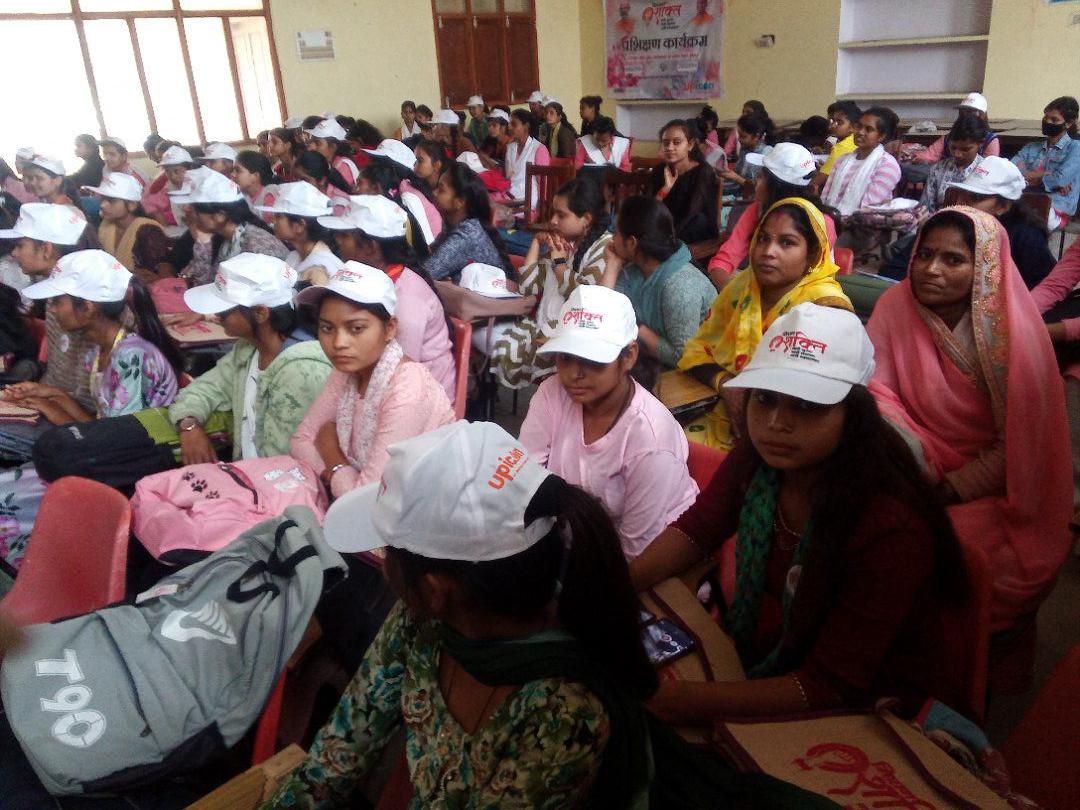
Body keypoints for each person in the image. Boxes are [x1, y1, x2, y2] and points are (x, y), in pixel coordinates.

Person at [268, 418, 655, 809]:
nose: (383, 569)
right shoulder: (420, 620)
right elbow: (339, 752)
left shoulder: (562, 715)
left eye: (388, 552)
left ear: (435, 590)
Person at [632, 303, 969, 721]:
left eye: (807, 406)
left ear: (853, 414)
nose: (776, 422)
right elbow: (696, 531)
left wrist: (681, 701)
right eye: (765, 398)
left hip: (878, 708)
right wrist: (615, 587)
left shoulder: (889, 525)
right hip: (787, 661)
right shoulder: (760, 460)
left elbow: (830, 686)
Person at [867, 207, 1071, 632]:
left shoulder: (1013, 338)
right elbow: (876, 394)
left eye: (954, 260)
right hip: (908, 463)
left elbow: (1019, 450)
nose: (931, 270)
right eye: (925, 255)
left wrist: (947, 490)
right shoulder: (896, 305)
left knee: (945, 557)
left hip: (991, 490)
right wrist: (912, 463)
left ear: (985, 269)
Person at [0, 250, 181, 570]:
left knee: (7, 502)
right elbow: (103, 426)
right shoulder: (100, 351)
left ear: (87, 308)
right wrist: (53, 395)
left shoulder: (131, 358)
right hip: (107, 455)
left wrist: (52, 408)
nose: (52, 309)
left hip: (130, 475)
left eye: (58, 302)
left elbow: (114, 446)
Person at [520, 285, 697, 558]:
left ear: (629, 357)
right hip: (575, 541)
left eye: (592, 359)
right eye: (565, 357)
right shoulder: (552, 393)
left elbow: (635, 551)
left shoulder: (650, 440)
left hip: (643, 557)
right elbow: (524, 478)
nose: (574, 374)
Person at [679, 198, 852, 449]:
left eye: (787, 242)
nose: (769, 251)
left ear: (813, 254)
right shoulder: (743, 288)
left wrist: (751, 401)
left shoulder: (825, 308)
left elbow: (818, 400)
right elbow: (696, 350)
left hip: (788, 437)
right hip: (723, 411)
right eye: (762, 239)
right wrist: (726, 384)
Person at [290, 263, 454, 497]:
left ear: (390, 329)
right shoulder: (347, 371)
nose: (339, 343)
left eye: (356, 328)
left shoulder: (407, 389)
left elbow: (367, 500)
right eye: (327, 328)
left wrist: (331, 452)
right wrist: (339, 474)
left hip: (427, 505)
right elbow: (300, 440)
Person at [172, 253, 331, 464]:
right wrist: (189, 424)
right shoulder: (249, 349)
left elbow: (285, 460)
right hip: (251, 474)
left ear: (260, 313)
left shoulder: (301, 372)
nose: (216, 316)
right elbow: (204, 389)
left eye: (224, 311)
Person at [318, 195, 455, 401]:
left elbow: (402, 372)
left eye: (345, 236)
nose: (338, 240)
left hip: (422, 398)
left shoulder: (406, 300)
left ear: (371, 247)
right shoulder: (375, 282)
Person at [491, 178, 613, 388]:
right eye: (553, 213)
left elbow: (585, 299)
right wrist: (536, 243)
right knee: (496, 343)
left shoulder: (604, 248)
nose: (553, 221)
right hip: (548, 329)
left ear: (586, 218)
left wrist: (559, 264)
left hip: (575, 342)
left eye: (561, 215)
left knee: (502, 345)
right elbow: (527, 287)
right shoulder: (565, 240)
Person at [881, 156, 1055, 289]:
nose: (962, 202)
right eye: (962, 194)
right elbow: (893, 272)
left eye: (975, 197)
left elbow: (1044, 289)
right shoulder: (945, 225)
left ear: (1003, 206)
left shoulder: (1026, 237)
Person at [0, 204, 100, 413]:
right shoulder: (54, 297)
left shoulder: (82, 303)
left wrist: (47, 400)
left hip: (78, 417)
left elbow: (88, 398)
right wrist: (36, 392)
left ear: (46, 249)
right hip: (57, 404)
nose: (14, 253)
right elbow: (57, 376)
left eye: (20, 246)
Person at [599, 196, 714, 369]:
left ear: (632, 243)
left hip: (694, 374)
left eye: (615, 232)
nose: (611, 239)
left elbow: (682, 357)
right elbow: (599, 317)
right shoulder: (634, 269)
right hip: (650, 364)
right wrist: (612, 266)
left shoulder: (680, 285)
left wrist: (635, 326)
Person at [707, 143, 838, 289]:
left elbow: (812, 280)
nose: (755, 181)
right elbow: (725, 260)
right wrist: (734, 296)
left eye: (761, 177)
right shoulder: (757, 209)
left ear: (776, 187)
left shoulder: (821, 223)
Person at [179, 169, 288, 286]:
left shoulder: (257, 245)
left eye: (194, 211)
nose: (187, 211)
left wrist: (203, 243)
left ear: (219, 216)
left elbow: (206, 285)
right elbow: (207, 282)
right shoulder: (228, 239)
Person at [425, 161, 513, 282]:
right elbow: (432, 254)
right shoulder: (451, 223)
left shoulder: (467, 235)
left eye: (441, 189)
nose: (434, 193)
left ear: (460, 202)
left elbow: (425, 274)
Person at [83, 173, 169, 285]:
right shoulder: (105, 226)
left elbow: (149, 277)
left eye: (111, 200)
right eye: (103, 199)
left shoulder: (149, 231)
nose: (103, 205)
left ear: (132, 205)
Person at [1011, 95, 1080, 231]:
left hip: (1056, 208)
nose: (1047, 121)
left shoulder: (1076, 148)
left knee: (1020, 222)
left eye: (1054, 120)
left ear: (1068, 123)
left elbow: (1059, 179)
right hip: (1025, 201)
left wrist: (1025, 177)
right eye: (1045, 117)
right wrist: (1044, 175)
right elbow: (1009, 172)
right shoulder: (1031, 147)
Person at [359, 138, 443, 249]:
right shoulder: (399, 191)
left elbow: (427, 244)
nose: (370, 167)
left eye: (378, 164)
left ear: (395, 169)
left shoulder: (408, 197)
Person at [821, 106, 902, 220]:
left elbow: (868, 208)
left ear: (881, 136)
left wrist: (838, 222)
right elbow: (825, 196)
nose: (860, 132)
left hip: (863, 225)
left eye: (868, 129)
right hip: (832, 219)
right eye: (858, 126)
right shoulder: (842, 160)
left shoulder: (888, 166)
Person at [258, 181, 343, 284]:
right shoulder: (294, 257)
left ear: (299, 226)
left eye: (279, 216)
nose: (273, 220)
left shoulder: (319, 271)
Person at [650, 119, 719, 243]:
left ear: (690, 145)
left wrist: (669, 239)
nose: (670, 147)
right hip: (663, 229)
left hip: (692, 233)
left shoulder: (703, 172)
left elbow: (692, 214)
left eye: (677, 142)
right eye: (666, 143)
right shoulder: (659, 171)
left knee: (698, 221)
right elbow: (649, 209)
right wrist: (665, 189)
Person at [918, 112, 988, 213]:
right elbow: (926, 206)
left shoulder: (986, 171)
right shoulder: (938, 169)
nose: (957, 154)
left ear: (980, 144)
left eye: (965, 149)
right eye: (953, 147)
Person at [911, 93, 1000, 166]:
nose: (965, 115)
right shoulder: (948, 138)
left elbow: (989, 169)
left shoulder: (990, 141)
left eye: (971, 112)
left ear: (982, 115)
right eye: (962, 112)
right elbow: (927, 157)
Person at [809, 100, 860, 193]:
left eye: (839, 123)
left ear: (853, 127)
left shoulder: (842, 147)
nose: (832, 126)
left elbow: (817, 182)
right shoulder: (851, 141)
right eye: (832, 121)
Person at [720, 112, 774, 194]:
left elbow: (758, 188)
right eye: (739, 135)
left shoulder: (766, 153)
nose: (739, 139)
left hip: (752, 196)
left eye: (743, 136)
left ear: (756, 136)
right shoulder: (745, 149)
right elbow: (740, 173)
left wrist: (736, 178)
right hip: (739, 192)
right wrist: (728, 172)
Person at [503, 108, 550, 201]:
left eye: (514, 124)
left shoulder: (538, 149)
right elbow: (508, 176)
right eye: (509, 124)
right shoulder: (510, 147)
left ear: (526, 126)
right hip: (509, 195)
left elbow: (543, 182)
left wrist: (542, 204)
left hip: (528, 199)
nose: (509, 128)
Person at [142, 145, 195, 227]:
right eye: (167, 171)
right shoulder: (169, 183)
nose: (172, 176)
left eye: (176, 171)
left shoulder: (198, 185)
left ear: (189, 168)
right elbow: (152, 192)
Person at [306, 118, 360, 191]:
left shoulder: (343, 166)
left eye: (318, 144)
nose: (312, 148)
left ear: (333, 147)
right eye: (311, 142)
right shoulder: (325, 164)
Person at [294, 150, 353, 214]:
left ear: (322, 180)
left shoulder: (338, 204)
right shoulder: (305, 196)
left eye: (305, 180)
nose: (298, 183)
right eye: (296, 178)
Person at [232, 149, 278, 225]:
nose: (233, 174)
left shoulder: (270, 194)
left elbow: (269, 226)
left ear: (255, 176)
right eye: (233, 170)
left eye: (238, 171)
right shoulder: (241, 196)